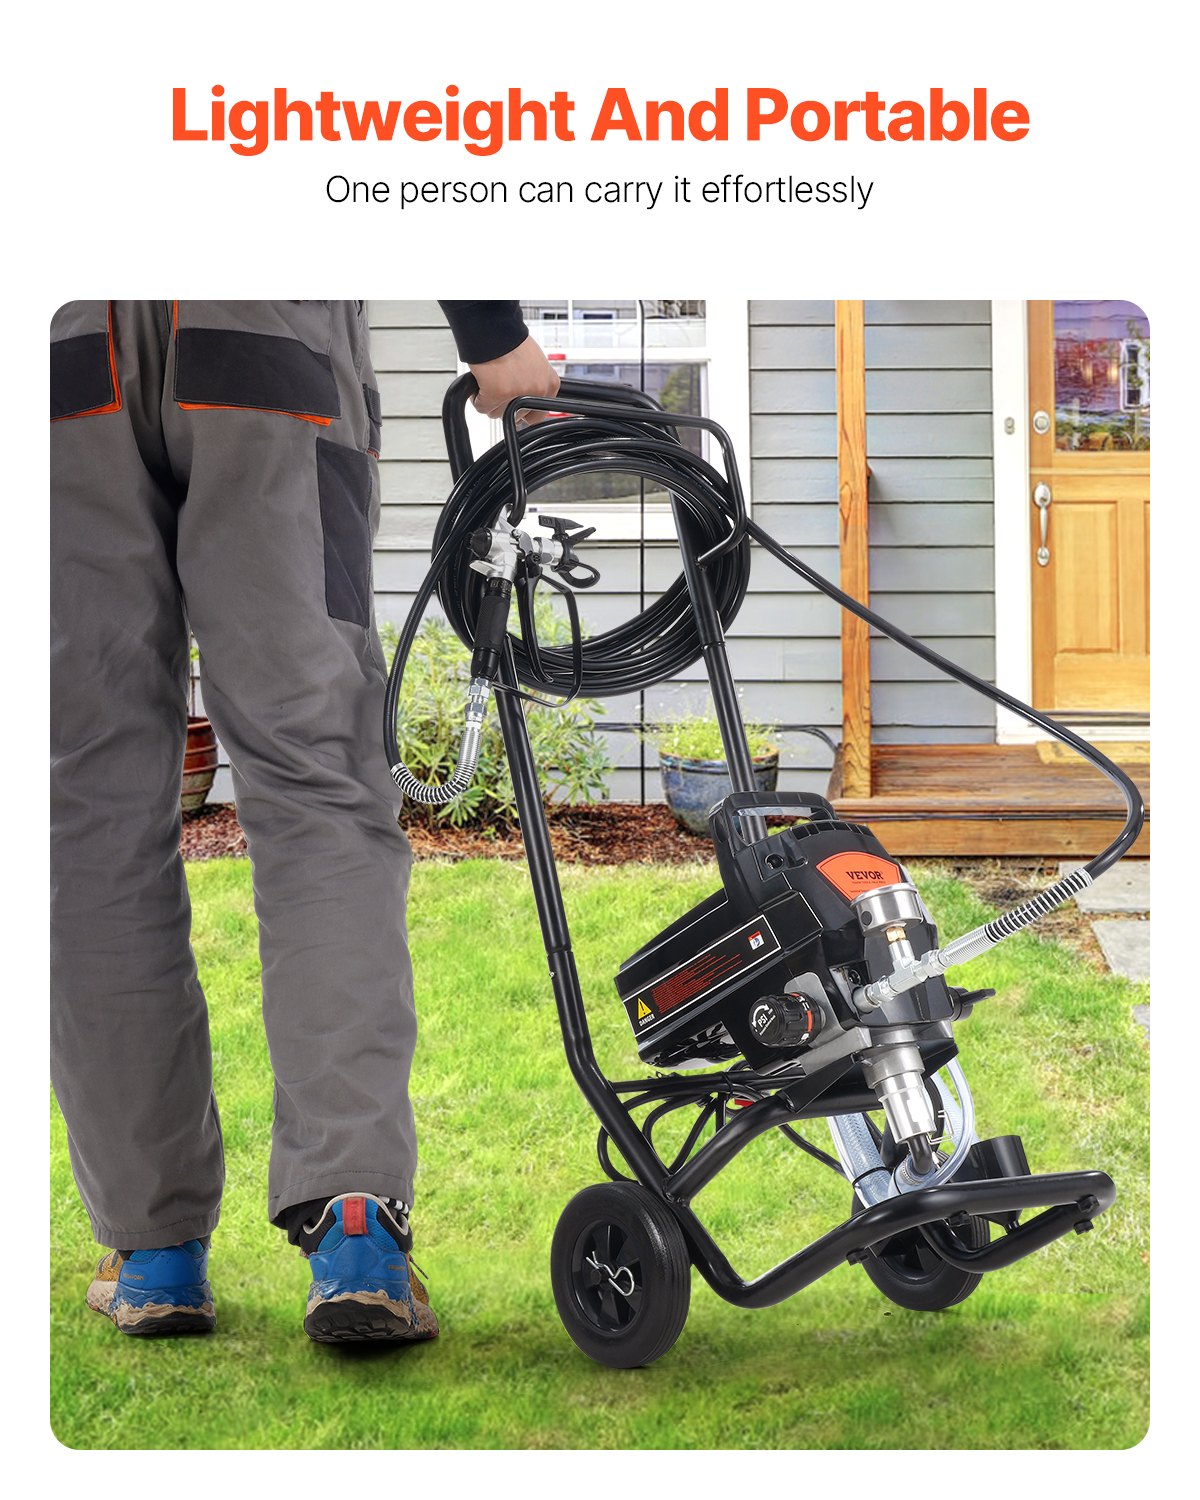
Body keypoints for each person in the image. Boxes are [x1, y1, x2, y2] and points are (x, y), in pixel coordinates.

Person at [50, 299, 559, 1343]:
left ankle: (153, 1252)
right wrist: (493, 337)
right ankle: (356, 1222)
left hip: (56, 350)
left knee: (92, 810)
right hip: (257, 334)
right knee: (317, 784)